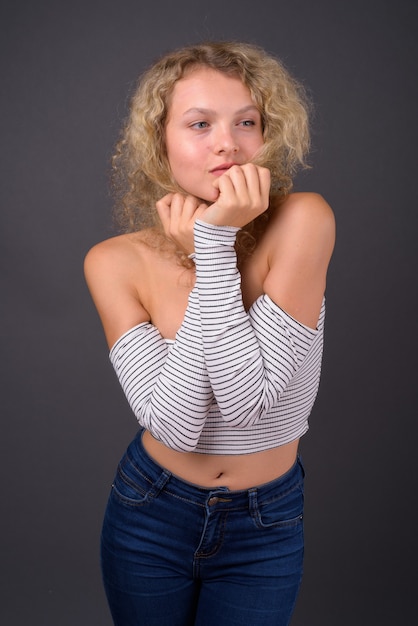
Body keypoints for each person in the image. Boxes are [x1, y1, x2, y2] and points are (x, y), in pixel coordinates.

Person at [84, 41, 335, 626]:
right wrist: (216, 248)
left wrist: (213, 248)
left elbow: (249, 406)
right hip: (149, 511)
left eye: (247, 122)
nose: (227, 142)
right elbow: (176, 425)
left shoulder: (305, 220)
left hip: (266, 522)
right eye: (200, 124)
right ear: (160, 142)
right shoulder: (113, 261)